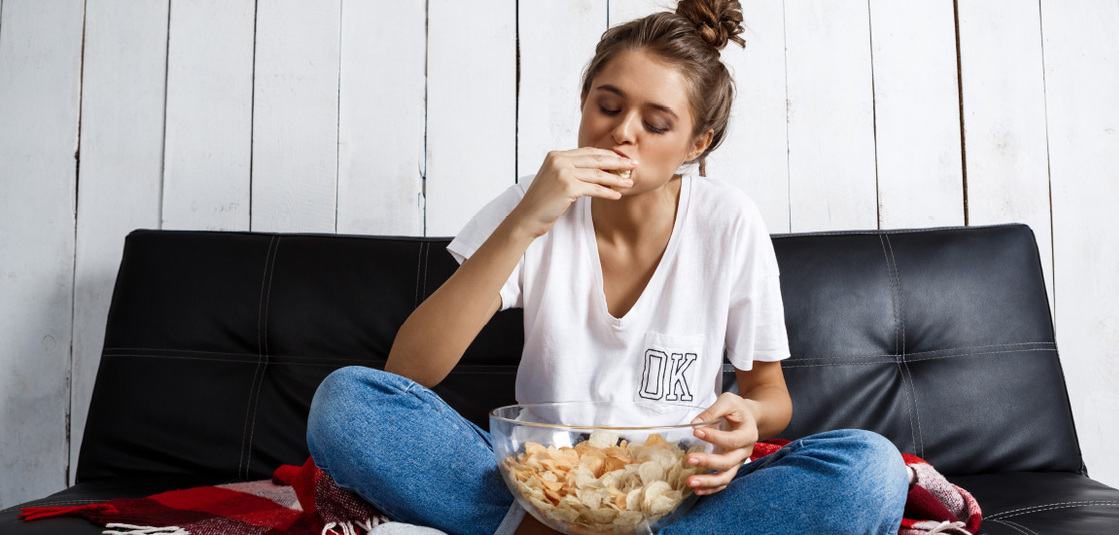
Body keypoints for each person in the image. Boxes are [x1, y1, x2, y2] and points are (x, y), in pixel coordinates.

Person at [306, 1, 909, 533]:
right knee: (346, 403)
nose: (621, 134)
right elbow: (409, 371)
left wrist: (748, 418)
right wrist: (525, 223)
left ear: (697, 142)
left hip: (679, 491)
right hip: (541, 488)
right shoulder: (533, 200)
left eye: (656, 123)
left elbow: (768, 393)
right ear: (585, 101)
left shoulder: (727, 221)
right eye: (607, 106)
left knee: (872, 470)